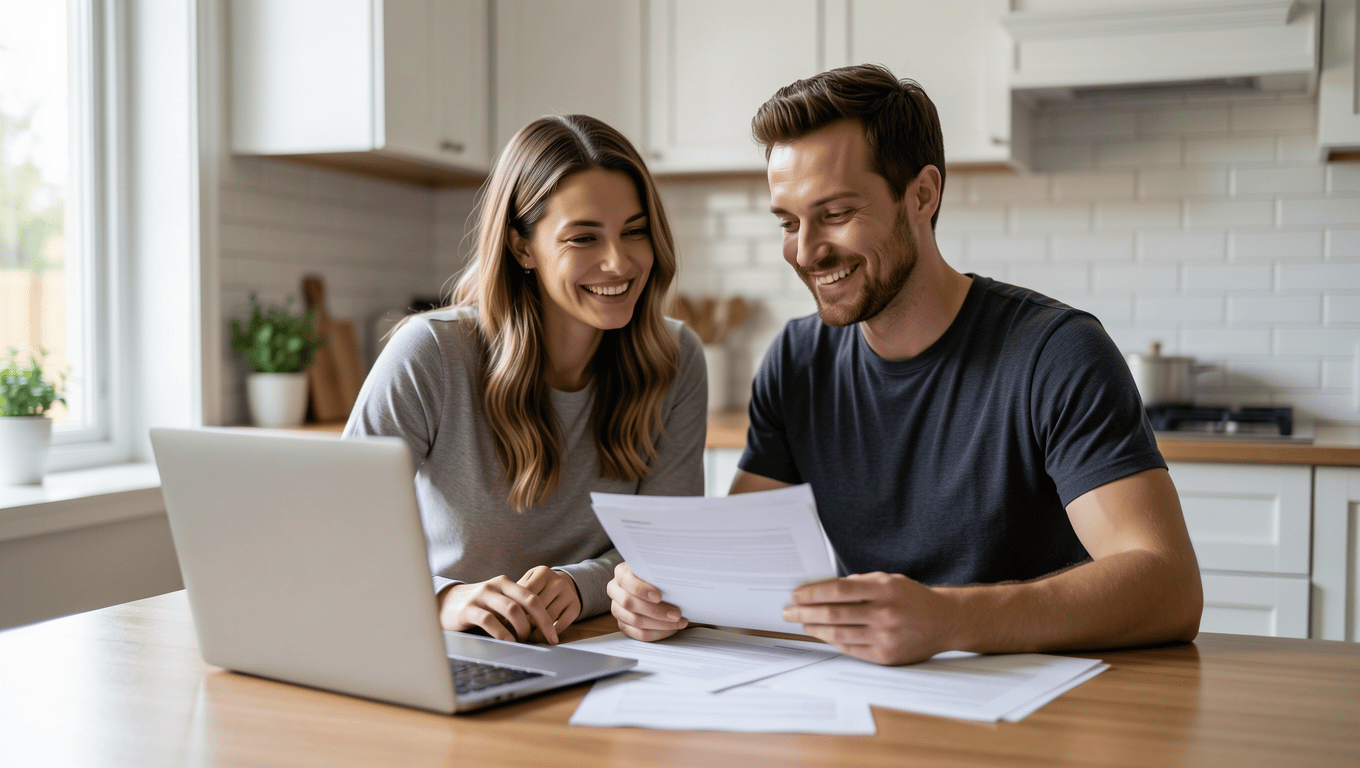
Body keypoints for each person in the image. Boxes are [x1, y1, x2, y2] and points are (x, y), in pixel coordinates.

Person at [608, 65, 1202, 665]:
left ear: (922, 194)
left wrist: (948, 619)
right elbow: (740, 558)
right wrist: (660, 591)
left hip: (1037, 705)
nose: (806, 251)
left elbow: (1167, 586)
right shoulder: (797, 360)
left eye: (835, 214)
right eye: (788, 223)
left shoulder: (1055, 354)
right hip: (869, 698)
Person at [345, 115, 706, 645]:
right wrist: (443, 596)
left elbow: (668, 547)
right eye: (584, 237)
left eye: (635, 231)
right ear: (521, 248)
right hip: (444, 644)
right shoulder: (432, 352)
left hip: (596, 643)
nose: (618, 261)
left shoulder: (674, 358)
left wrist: (577, 585)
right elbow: (340, 534)